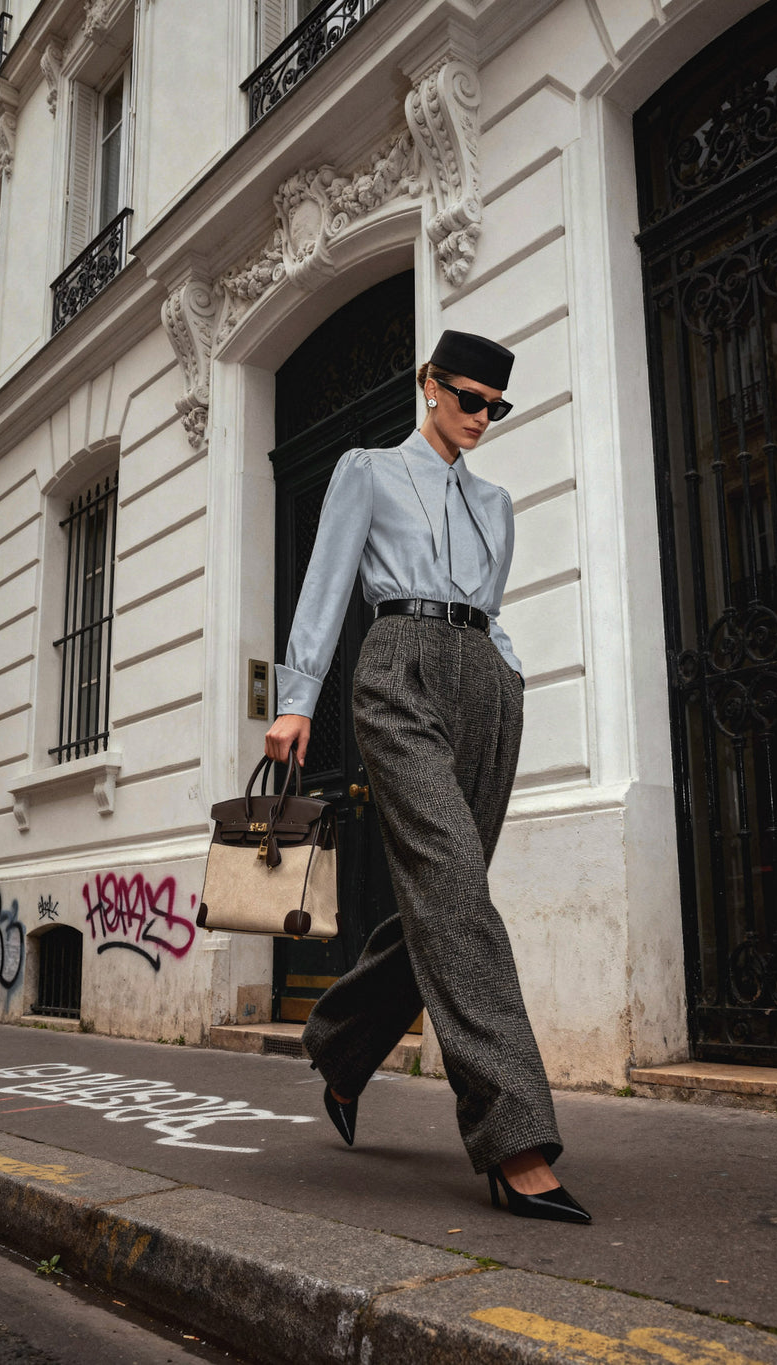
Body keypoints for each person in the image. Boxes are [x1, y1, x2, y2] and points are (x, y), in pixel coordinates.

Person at [265, 329, 590, 1223]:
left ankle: (338, 1045)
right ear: (429, 386)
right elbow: (328, 583)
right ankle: (515, 1135)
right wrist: (297, 699)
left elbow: (490, 603)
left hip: (485, 680)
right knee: (456, 892)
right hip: (398, 665)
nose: (482, 418)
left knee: (443, 900)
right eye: (470, 398)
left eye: (496, 406)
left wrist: (511, 676)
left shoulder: (499, 501)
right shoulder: (367, 470)